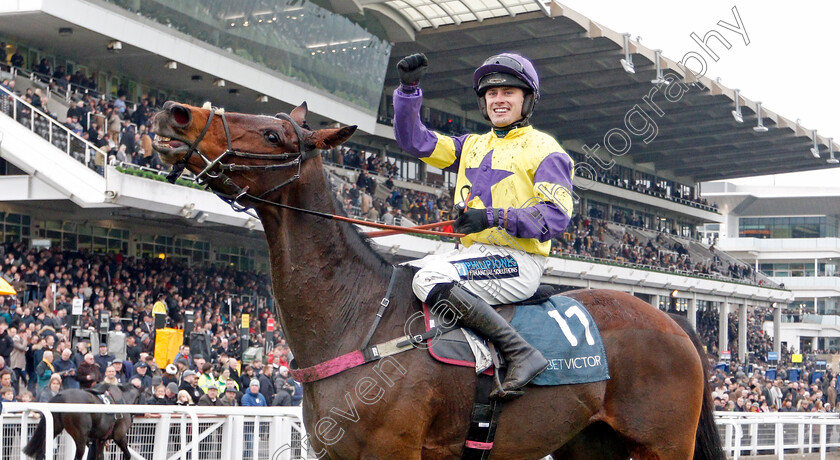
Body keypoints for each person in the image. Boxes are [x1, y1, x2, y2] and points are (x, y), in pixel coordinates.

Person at [392, 53, 573, 399]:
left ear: (527, 99)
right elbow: (413, 141)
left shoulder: (546, 150)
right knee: (404, 274)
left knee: (428, 277)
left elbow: (554, 216)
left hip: (518, 261)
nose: (499, 100)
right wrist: (408, 90)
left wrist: (492, 217)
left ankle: (521, 353)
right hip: (476, 255)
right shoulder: (470, 146)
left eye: (509, 92)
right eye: (492, 94)